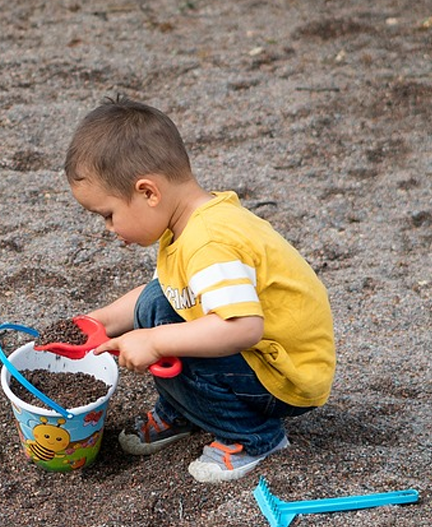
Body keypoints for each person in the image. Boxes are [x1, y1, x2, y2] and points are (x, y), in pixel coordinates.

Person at [64, 96, 334, 483]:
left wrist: (154, 341)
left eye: (108, 215)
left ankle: (254, 437)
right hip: (262, 357)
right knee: (157, 304)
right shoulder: (188, 223)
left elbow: (242, 327)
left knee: (169, 337)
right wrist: (96, 323)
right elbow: (163, 293)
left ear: (148, 192)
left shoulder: (210, 242)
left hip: (284, 376)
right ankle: (186, 411)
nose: (108, 228)